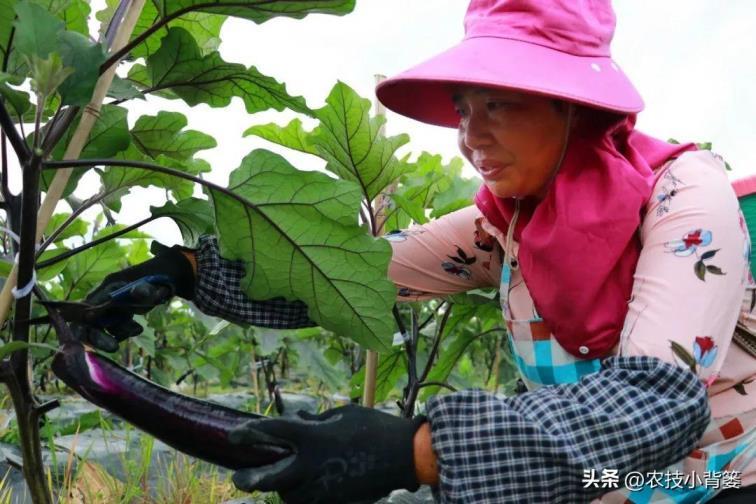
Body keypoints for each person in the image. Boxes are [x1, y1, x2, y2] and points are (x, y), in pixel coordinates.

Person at [79, 0, 756, 502]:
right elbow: (365, 274)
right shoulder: (507, 222)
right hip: (605, 483)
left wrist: (413, 453)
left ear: (573, 106)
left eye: (499, 104)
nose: (470, 135)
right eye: (465, 107)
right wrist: (187, 273)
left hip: (720, 481)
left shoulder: (685, 197)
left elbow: (657, 404)